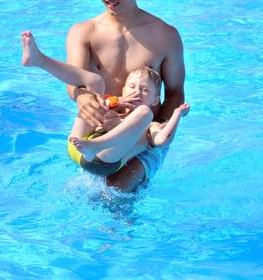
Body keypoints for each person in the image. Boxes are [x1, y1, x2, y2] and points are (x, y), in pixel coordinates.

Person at [27, 0, 186, 191]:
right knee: (92, 84)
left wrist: (160, 130)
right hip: (100, 130)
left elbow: (175, 91)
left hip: (143, 136)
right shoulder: (83, 32)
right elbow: (76, 84)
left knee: (119, 188)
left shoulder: (166, 36)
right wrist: (83, 99)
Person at [21, 31, 189, 178]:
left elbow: (161, 141)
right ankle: (39, 59)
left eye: (144, 90)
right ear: (123, 91)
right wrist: (117, 102)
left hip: (104, 162)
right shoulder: (114, 107)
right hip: (77, 146)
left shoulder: (150, 124)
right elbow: (100, 103)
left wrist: (176, 115)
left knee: (144, 113)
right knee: (95, 82)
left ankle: (97, 145)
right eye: (132, 87)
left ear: (155, 99)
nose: (137, 92)